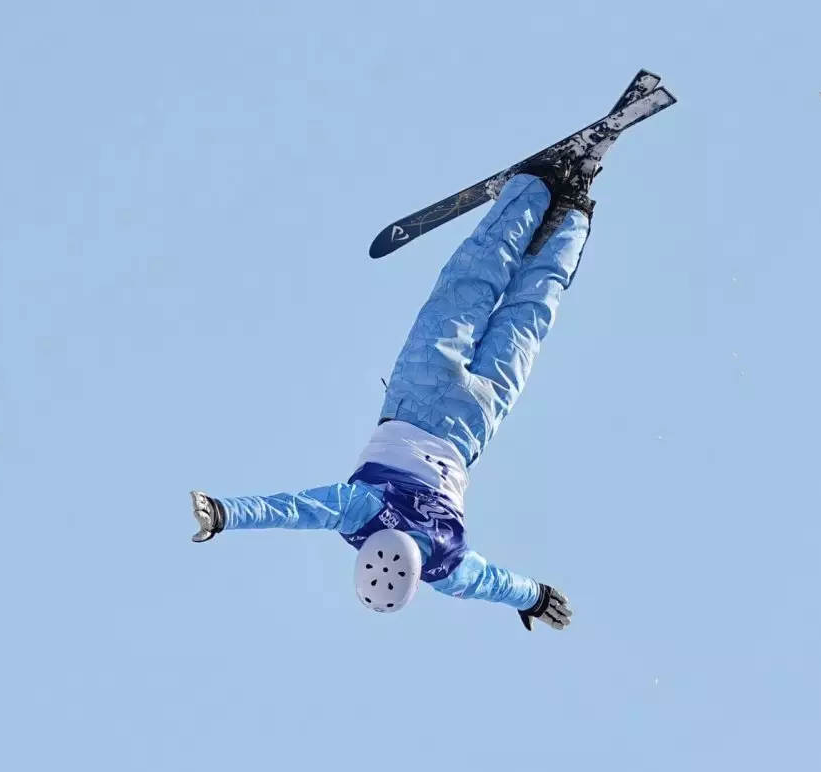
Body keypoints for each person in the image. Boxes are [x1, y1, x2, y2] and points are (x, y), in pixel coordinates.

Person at [190, 152, 601, 632]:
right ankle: (535, 189)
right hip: (421, 393)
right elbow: (296, 509)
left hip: (472, 427)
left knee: (525, 321)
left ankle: (571, 215)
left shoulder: (447, 566)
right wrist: (225, 514)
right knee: (467, 288)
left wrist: (535, 598)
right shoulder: (363, 514)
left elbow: (495, 583)